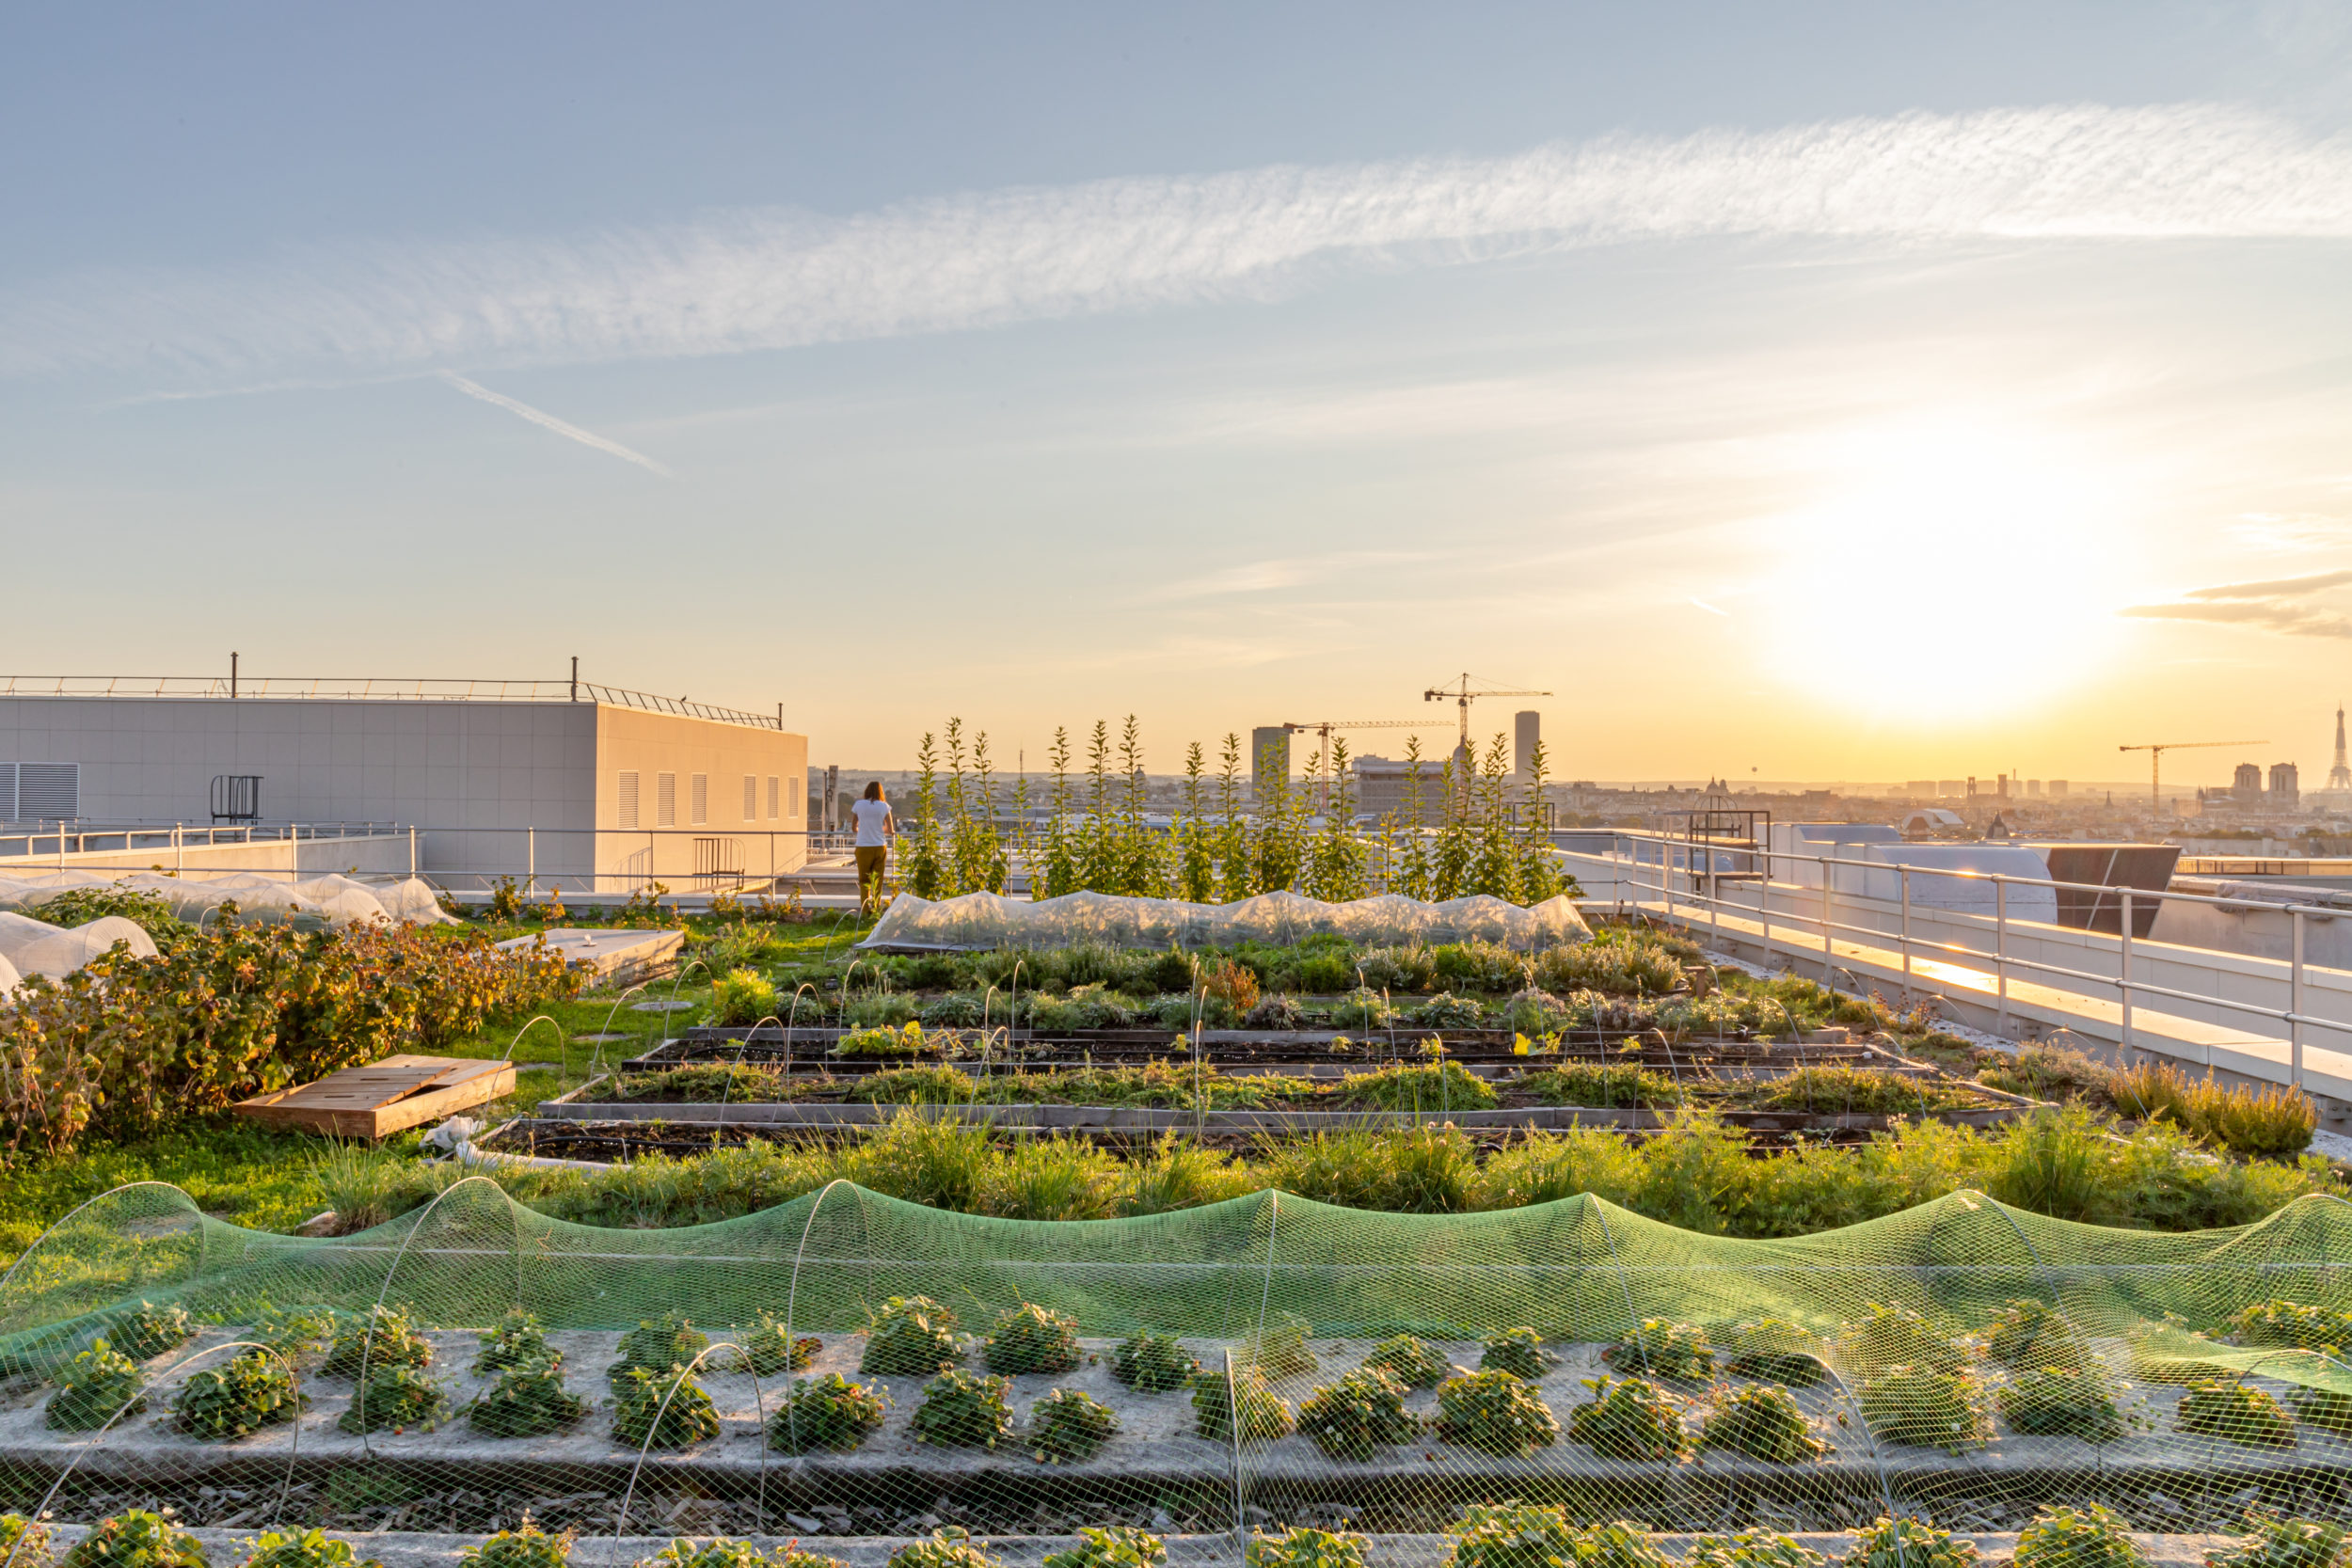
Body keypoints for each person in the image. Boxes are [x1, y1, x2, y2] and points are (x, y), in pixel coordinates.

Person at [850, 781, 896, 913]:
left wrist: (863, 829)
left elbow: (854, 827)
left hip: (863, 846)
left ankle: (865, 911)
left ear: (867, 791)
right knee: (877, 879)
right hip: (879, 846)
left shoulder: (859, 805)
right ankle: (876, 908)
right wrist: (879, 828)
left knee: (864, 880)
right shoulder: (884, 806)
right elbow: (890, 829)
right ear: (880, 792)